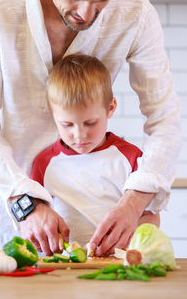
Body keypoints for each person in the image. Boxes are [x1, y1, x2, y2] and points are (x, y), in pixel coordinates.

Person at [0, 0, 181, 257]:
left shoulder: (136, 12)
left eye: (100, 0)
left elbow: (165, 121)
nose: (87, 13)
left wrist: (133, 206)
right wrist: (25, 204)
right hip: (2, 229)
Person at [30, 53, 160, 247]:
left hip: (118, 265)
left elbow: (151, 217)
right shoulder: (44, 163)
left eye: (90, 123)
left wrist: (129, 239)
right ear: (53, 115)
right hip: (63, 267)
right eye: (67, 124)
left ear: (110, 108)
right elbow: (36, 219)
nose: (79, 134)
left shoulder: (130, 157)